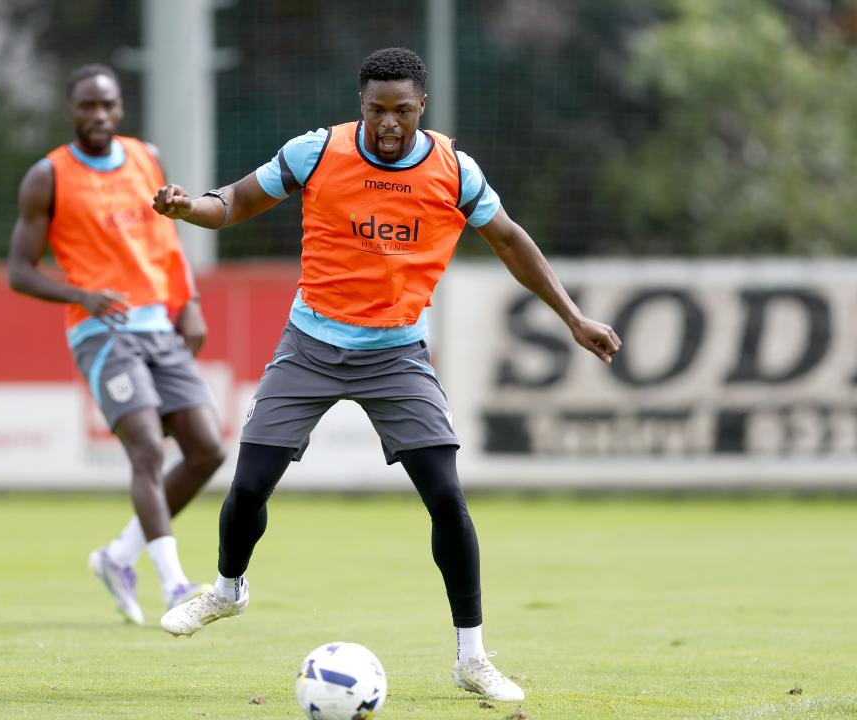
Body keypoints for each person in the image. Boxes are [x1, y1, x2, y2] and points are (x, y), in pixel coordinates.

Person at [153, 47, 621, 702]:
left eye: (403, 111)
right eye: (377, 110)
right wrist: (186, 208)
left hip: (397, 353)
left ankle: (472, 657)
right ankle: (228, 590)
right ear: (360, 106)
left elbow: (510, 240)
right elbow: (231, 203)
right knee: (251, 483)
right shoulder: (316, 152)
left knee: (447, 498)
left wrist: (572, 317)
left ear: (422, 107)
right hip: (310, 343)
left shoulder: (454, 171)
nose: (390, 124)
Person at [8, 64, 226, 625]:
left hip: (159, 323)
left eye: (108, 105)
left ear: (120, 108)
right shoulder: (48, 176)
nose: (99, 115)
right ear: (70, 110)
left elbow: (168, 234)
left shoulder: (146, 156)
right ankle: (175, 583)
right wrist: (83, 295)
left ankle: (119, 557)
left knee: (207, 449)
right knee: (149, 450)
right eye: (87, 105)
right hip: (101, 332)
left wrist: (191, 300)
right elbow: (18, 272)